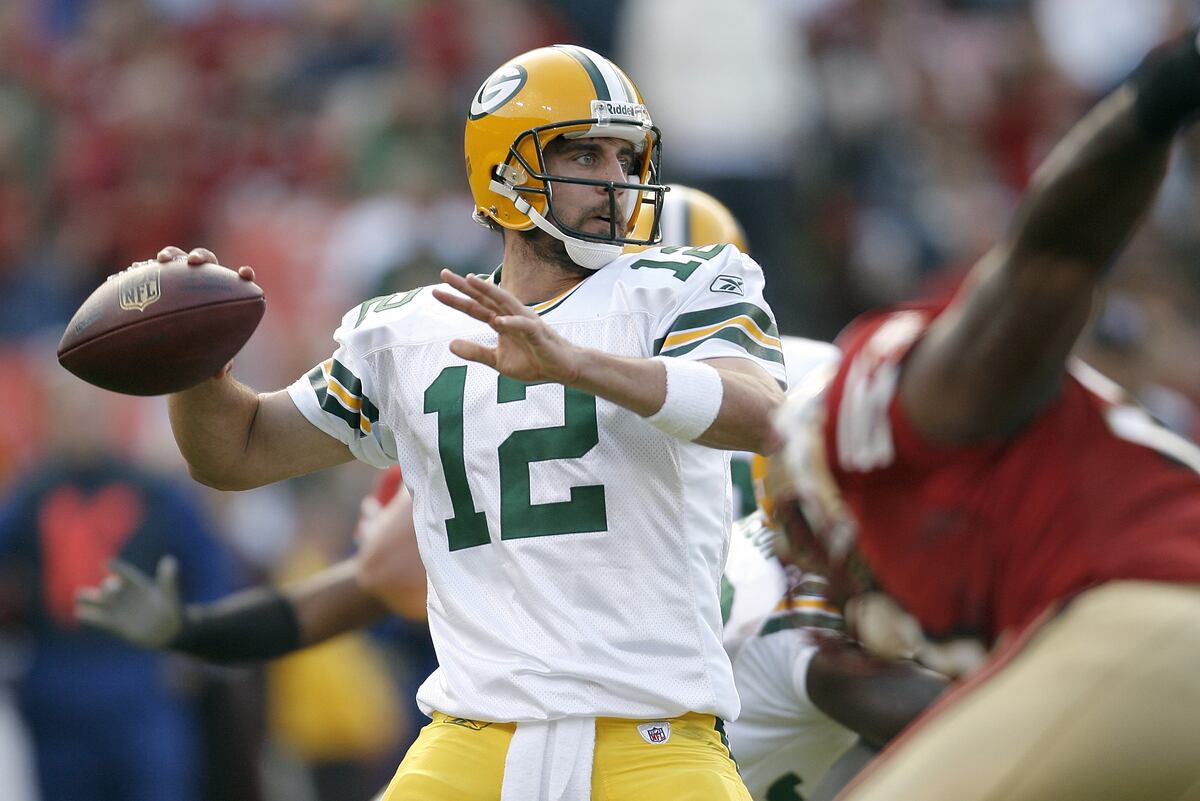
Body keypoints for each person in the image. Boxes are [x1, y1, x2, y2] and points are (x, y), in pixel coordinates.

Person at [147, 44, 785, 800]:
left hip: (653, 735)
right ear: (504, 171)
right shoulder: (410, 328)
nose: (616, 179)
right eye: (586, 153)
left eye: (626, 155)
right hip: (471, 735)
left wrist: (577, 364)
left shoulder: (683, 286)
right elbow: (239, 451)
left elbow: (762, 414)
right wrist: (189, 362)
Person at [768, 30, 1200, 801]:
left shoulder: (897, 418)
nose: (809, 564)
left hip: (1154, 610)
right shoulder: (969, 547)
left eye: (803, 520)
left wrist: (1160, 92)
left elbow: (1055, 254)